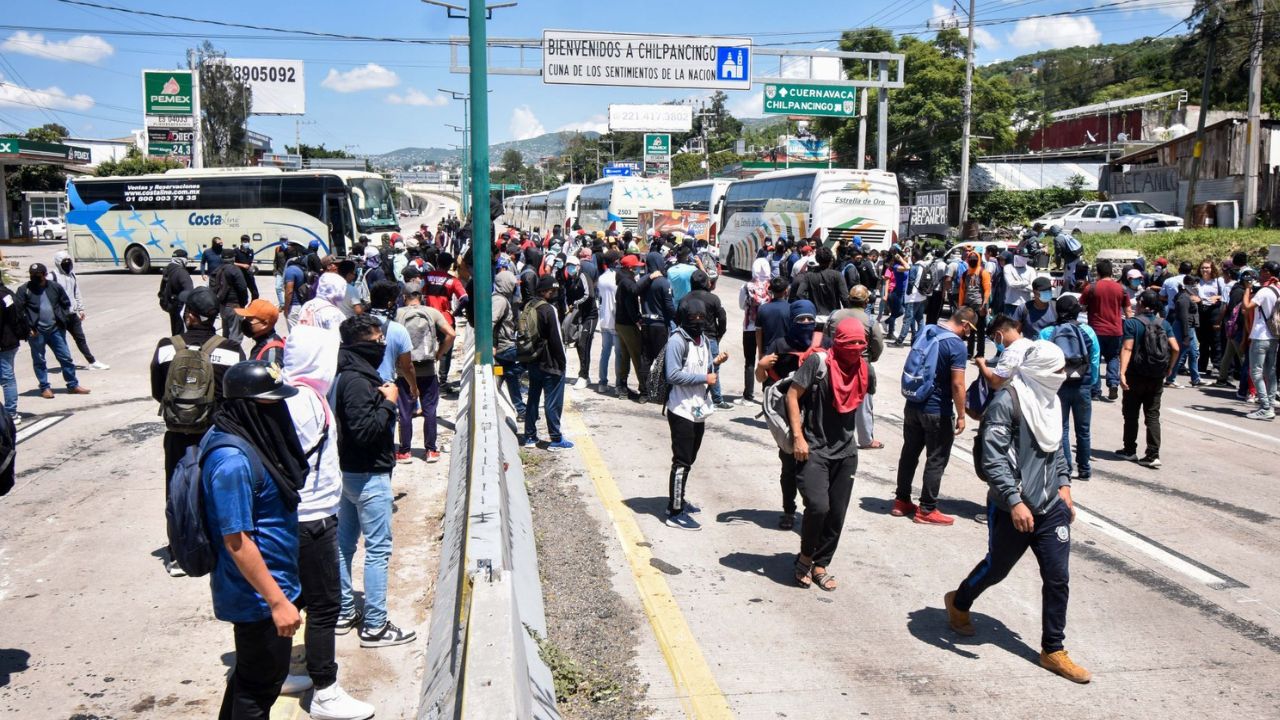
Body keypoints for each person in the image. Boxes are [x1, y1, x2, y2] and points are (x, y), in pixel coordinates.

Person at [945, 341, 1090, 684]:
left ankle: (1053, 649)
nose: (1061, 377)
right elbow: (993, 459)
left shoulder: (1050, 402)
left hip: (1050, 506)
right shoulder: (1006, 403)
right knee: (997, 568)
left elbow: (1056, 448)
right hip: (1012, 508)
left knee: (1058, 578)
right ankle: (959, 601)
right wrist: (1014, 500)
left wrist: (1065, 486)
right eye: (1056, 371)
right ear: (1040, 371)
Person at [200, 360, 309, 717]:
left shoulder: (246, 440)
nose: (278, 411)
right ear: (247, 406)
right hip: (258, 598)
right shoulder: (232, 460)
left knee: (251, 678)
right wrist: (278, 602)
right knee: (259, 689)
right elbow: (237, 541)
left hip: (273, 584)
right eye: (270, 404)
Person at [279, 327, 377, 719]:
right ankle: (326, 690)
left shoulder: (285, 394)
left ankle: (282, 669)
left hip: (290, 516)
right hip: (314, 517)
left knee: (295, 596)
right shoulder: (308, 401)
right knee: (324, 606)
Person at [332, 314, 417, 648]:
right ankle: (375, 625)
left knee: (344, 544)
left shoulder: (347, 373)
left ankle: (343, 611)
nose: (383, 344)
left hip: (350, 472)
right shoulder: (355, 381)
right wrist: (389, 403)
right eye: (377, 339)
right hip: (368, 474)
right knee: (377, 550)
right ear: (359, 344)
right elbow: (365, 431)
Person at [152, 287, 245, 576]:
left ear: (189, 315)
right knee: (217, 488)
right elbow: (238, 395)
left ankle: (179, 554)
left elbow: (158, 391)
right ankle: (219, 545)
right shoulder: (230, 350)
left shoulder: (167, 345)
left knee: (177, 490)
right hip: (216, 433)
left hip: (178, 432)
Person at [787, 317, 867, 591]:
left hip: (846, 452)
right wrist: (798, 437)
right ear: (837, 341)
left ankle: (821, 564)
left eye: (860, 344)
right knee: (818, 507)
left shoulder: (864, 369)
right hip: (814, 447)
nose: (855, 348)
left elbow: (864, 407)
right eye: (850, 343)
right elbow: (792, 396)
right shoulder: (818, 363)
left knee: (837, 514)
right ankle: (805, 557)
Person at [893, 307, 975, 525]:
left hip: (913, 403)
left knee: (909, 453)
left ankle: (901, 501)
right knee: (936, 458)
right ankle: (927, 509)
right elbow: (958, 383)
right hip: (937, 409)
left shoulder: (926, 330)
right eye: (970, 329)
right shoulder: (956, 345)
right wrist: (961, 415)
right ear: (965, 325)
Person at [757, 300, 827, 528]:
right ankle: (789, 510)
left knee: (814, 467)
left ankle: (813, 510)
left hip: (818, 415)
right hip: (788, 416)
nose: (806, 323)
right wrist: (762, 365)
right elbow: (762, 378)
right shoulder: (780, 343)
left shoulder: (824, 342)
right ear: (791, 321)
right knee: (788, 466)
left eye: (810, 318)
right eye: (800, 320)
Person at [663, 297, 727, 531]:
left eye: (702, 319)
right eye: (694, 319)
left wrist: (715, 364)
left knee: (690, 459)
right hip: (681, 410)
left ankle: (678, 500)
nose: (698, 323)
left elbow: (705, 369)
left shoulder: (704, 341)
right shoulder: (677, 341)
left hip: (698, 409)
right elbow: (672, 375)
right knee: (681, 462)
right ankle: (675, 511)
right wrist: (704, 378)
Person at [1039, 296, 1099, 480]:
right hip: (1083, 384)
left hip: (1058, 385)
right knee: (1083, 429)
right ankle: (1085, 468)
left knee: (1062, 428)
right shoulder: (1088, 331)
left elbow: (1040, 359)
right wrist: (1093, 382)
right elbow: (1095, 358)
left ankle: (1065, 468)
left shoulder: (1048, 332)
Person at [1118, 290, 1179, 467]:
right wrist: (1169, 367)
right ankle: (1153, 454)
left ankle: (1129, 450)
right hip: (1156, 376)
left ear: (1142, 304)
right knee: (1152, 415)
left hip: (1135, 375)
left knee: (1131, 414)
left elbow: (1127, 348)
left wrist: (1122, 373)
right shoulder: (1164, 323)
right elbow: (1175, 348)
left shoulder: (1131, 324)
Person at [395, 288, 454, 463]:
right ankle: (431, 451)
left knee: (405, 411)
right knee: (430, 410)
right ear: (421, 297)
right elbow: (451, 334)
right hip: (428, 369)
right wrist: (439, 353)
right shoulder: (432, 312)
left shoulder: (397, 315)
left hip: (404, 370)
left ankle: (405, 452)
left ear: (404, 297)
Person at [16, 263, 88, 399]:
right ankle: (45, 387)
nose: (34, 278)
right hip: (36, 332)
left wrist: (63, 319)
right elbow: (19, 312)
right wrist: (28, 328)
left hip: (55, 329)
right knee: (39, 360)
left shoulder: (54, 287)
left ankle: (72, 384)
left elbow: (65, 303)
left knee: (65, 357)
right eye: (32, 275)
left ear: (44, 275)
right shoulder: (24, 290)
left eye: (37, 275)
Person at [829, 286, 884, 449]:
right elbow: (877, 345)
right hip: (861, 365)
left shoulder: (834, 315)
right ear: (867, 301)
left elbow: (826, 338)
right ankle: (866, 439)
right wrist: (869, 359)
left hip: (835, 363)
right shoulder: (870, 321)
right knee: (864, 402)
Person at [522, 276, 572, 450]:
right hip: (550, 362)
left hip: (532, 359)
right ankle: (556, 439)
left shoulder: (528, 306)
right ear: (546, 291)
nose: (554, 293)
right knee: (552, 401)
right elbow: (556, 339)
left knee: (533, 398)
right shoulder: (549, 309)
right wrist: (562, 362)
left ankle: (529, 436)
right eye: (553, 290)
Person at [48, 250, 108, 370]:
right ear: (58, 263)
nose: (67, 265)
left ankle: (92, 361)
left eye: (68, 262)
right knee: (62, 342)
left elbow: (76, 292)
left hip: (72, 314)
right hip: (59, 316)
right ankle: (67, 363)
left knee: (80, 338)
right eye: (64, 263)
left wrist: (80, 309)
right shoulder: (52, 277)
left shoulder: (72, 275)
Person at [1080, 259, 1128, 402]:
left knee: (1095, 359)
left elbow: (1081, 306)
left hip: (1096, 330)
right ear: (1111, 271)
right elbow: (1128, 310)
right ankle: (1113, 383)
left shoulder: (1091, 288)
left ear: (1098, 272)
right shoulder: (1121, 289)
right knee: (1113, 357)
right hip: (1116, 330)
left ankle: (1095, 390)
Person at [684, 270, 730, 409]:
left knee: (691, 367)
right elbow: (722, 318)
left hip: (691, 338)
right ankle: (717, 400)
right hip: (710, 337)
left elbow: (679, 318)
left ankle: (693, 395)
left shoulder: (685, 298)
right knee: (713, 368)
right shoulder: (713, 299)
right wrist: (719, 334)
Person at [1242, 261, 1280, 420]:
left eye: (1262, 271)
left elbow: (1247, 306)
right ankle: (1270, 404)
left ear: (1267, 272)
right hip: (1274, 336)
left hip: (1260, 336)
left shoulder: (1264, 291)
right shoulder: (1278, 290)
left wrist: (1248, 288)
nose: (1260, 274)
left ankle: (1265, 406)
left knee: (1256, 372)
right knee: (1270, 372)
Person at [738, 257, 772, 405]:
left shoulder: (746, 286)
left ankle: (748, 396)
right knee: (766, 361)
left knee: (749, 361)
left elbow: (741, 306)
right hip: (767, 328)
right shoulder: (771, 286)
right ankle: (766, 395)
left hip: (750, 327)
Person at [492, 269, 526, 417]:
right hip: (504, 347)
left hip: (502, 347)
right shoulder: (499, 301)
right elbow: (490, 322)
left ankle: (521, 410)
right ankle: (507, 371)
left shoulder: (501, 299)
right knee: (535, 357)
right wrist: (491, 345)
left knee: (512, 380)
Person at [614, 254, 647, 400]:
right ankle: (644, 390)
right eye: (635, 267)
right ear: (629, 268)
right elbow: (634, 292)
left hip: (621, 324)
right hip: (627, 325)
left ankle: (622, 388)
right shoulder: (627, 282)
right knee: (637, 356)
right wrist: (637, 319)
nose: (637, 270)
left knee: (625, 356)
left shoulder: (622, 280)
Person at [638, 253, 676, 376]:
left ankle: (643, 391)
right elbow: (669, 307)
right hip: (660, 326)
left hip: (645, 324)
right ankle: (660, 391)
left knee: (645, 359)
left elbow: (635, 288)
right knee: (661, 360)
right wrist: (676, 319)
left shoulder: (644, 281)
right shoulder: (664, 282)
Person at [563, 254, 597, 390]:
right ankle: (584, 374)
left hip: (590, 316)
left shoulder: (583, 276)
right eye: (568, 266)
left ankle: (583, 376)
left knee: (584, 344)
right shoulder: (571, 280)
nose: (569, 268)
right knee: (578, 344)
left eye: (571, 266)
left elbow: (589, 295)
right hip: (580, 316)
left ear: (578, 266)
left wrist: (576, 304)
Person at [790, 246, 848, 319]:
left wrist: (809, 308)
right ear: (831, 259)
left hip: (815, 317)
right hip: (833, 318)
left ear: (817, 259)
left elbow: (799, 294)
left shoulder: (809, 276)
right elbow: (845, 298)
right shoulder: (837, 275)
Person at [976, 314, 1032, 390]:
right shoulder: (1029, 343)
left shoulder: (1011, 352)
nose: (995, 342)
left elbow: (995, 383)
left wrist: (982, 365)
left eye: (993, 338)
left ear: (998, 334)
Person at [1166, 274, 1202, 388]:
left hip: (1188, 328)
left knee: (1194, 353)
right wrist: (1186, 335)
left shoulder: (1187, 296)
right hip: (1184, 328)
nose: (1196, 286)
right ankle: (1170, 379)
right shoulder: (1184, 298)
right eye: (1193, 284)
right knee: (1179, 353)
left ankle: (1196, 379)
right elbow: (1184, 318)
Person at [1195, 258, 1226, 378]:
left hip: (1214, 311)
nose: (1204, 270)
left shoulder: (1218, 281)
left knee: (1215, 340)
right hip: (1201, 310)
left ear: (1212, 268)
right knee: (1202, 340)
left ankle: (1216, 365)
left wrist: (1217, 297)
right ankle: (1201, 365)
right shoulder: (1198, 281)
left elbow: (1225, 294)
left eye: (1207, 267)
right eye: (1203, 267)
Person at [957, 251, 991, 359]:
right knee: (969, 330)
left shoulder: (983, 272)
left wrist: (984, 304)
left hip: (979, 305)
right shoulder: (965, 274)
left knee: (980, 331)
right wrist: (960, 305)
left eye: (974, 258)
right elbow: (962, 291)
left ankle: (980, 353)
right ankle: (969, 352)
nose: (972, 260)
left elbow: (987, 290)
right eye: (970, 258)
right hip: (968, 305)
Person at [595, 251, 621, 394]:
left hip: (604, 319)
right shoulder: (617, 277)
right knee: (619, 354)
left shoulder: (601, 278)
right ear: (615, 261)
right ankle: (618, 385)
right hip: (615, 321)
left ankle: (602, 383)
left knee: (605, 353)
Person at [0, 274, 23, 425]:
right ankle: (11, 413)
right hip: (7, 343)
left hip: (6, 343)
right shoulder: (6, 295)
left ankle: (10, 414)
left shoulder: (5, 296)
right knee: (8, 379)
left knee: (7, 378)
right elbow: (15, 316)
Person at [896, 247, 931, 346]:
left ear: (914, 257)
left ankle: (900, 340)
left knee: (907, 319)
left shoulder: (915, 267)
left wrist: (907, 294)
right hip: (923, 296)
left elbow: (911, 281)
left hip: (913, 297)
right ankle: (919, 339)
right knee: (920, 319)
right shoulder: (926, 266)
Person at [236, 299, 285, 365]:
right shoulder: (262, 342)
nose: (245, 322)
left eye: (249, 319)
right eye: (245, 318)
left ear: (264, 324)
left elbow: (269, 374)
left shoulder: (271, 353)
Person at [159, 248, 195, 336]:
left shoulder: (167, 269)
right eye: (186, 259)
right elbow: (189, 291)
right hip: (180, 307)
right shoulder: (181, 272)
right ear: (181, 259)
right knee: (182, 333)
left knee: (175, 331)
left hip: (171, 305)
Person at [756, 277, 792, 357]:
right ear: (786, 291)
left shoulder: (762, 309)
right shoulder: (792, 309)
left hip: (768, 353)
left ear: (771, 291)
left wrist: (760, 353)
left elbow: (758, 333)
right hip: (786, 352)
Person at [1002, 248, 1036, 317]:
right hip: (1011, 304)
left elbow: (1033, 287)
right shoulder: (1008, 268)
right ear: (1016, 256)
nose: (1025, 258)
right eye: (1023, 256)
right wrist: (1026, 282)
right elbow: (1010, 283)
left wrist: (1017, 284)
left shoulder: (1031, 270)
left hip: (1026, 304)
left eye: (1026, 256)